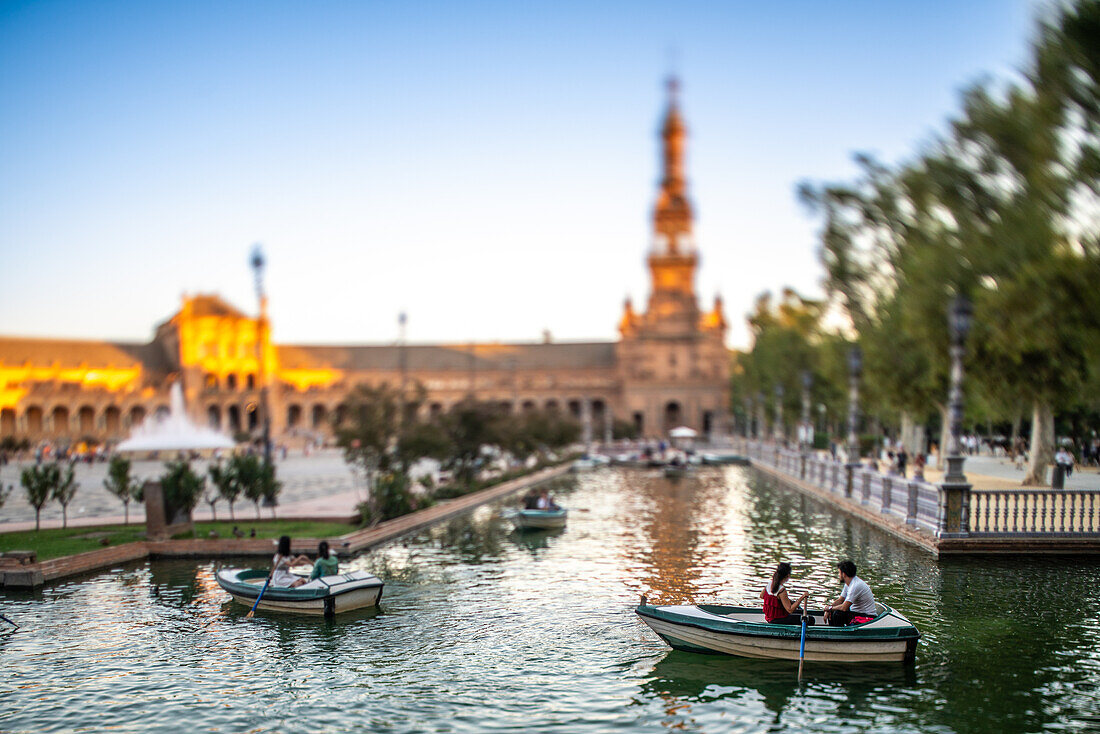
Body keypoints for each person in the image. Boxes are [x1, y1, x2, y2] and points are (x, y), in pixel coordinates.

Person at [823, 560, 877, 626]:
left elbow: (844, 607)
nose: (839, 575)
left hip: (867, 616)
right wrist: (829, 609)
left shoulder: (856, 585)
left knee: (837, 614)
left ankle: (838, 634)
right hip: (856, 613)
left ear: (844, 574)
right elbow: (840, 600)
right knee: (834, 611)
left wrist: (829, 608)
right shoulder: (849, 583)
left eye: (839, 573)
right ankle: (833, 631)